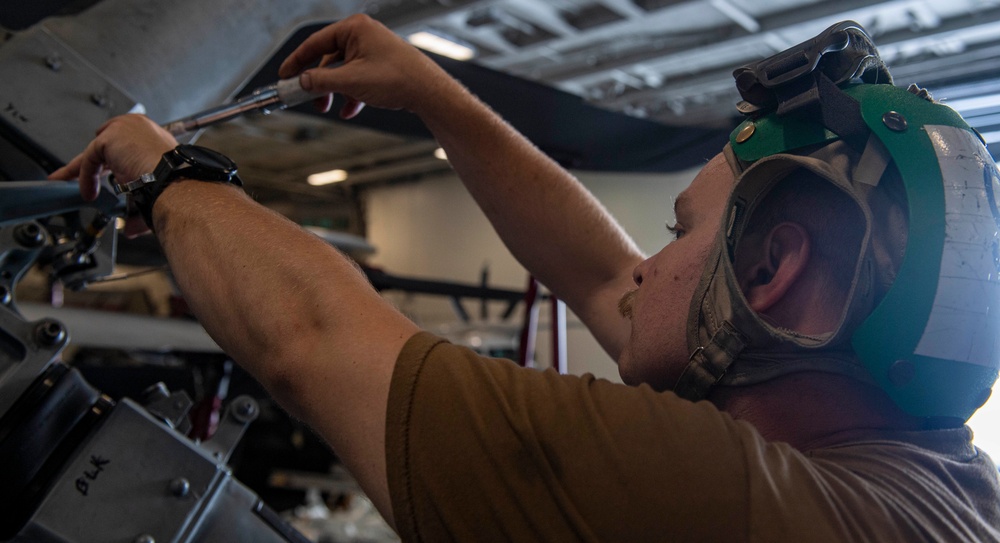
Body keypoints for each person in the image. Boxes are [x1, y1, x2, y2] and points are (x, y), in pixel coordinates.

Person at [51, 15, 1000, 542]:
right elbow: (614, 283)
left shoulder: (724, 498)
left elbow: (315, 342)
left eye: (681, 231)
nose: (652, 263)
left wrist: (162, 168)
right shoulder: (943, 486)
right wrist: (431, 93)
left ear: (769, 271)